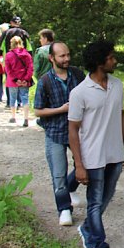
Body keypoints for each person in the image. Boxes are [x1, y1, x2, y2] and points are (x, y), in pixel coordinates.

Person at [68, 40, 124, 248]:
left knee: (106, 197)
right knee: (95, 203)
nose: (115, 60)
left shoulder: (117, 85)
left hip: (114, 153)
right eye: (111, 57)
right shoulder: (80, 93)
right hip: (92, 156)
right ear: (99, 62)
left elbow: (121, 115)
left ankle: (87, 228)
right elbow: (73, 129)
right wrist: (79, 164)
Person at [34, 41, 84, 227]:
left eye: (68, 54)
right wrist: (61, 109)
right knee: (58, 174)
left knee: (86, 163)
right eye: (62, 56)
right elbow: (38, 111)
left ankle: (71, 187)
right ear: (51, 58)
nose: (66, 59)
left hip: (78, 131)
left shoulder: (78, 75)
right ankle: (64, 209)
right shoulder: (45, 81)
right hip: (55, 133)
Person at [4, 35, 34, 126]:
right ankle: (26, 118)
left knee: (12, 98)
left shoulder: (8, 55)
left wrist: (15, 79)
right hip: (24, 80)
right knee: (25, 98)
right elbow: (30, 68)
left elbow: (8, 70)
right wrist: (26, 79)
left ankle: (13, 117)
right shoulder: (27, 54)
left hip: (13, 81)